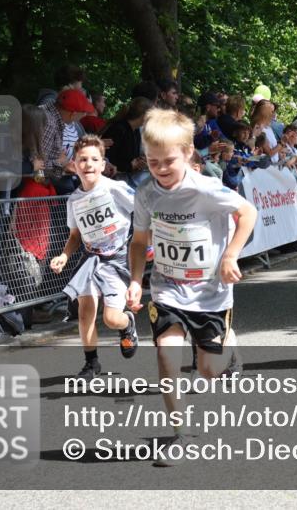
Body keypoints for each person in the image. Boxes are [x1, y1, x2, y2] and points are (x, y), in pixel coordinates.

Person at [126, 109, 257, 465]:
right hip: (168, 288)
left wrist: (231, 255)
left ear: (187, 153)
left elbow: (248, 213)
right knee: (167, 355)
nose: (160, 169)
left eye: (168, 161)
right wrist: (136, 281)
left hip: (210, 293)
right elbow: (139, 241)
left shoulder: (206, 189)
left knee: (208, 371)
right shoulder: (146, 192)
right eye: (153, 162)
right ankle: (180, 435)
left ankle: (229, 349)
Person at [49, 135, 140, 379]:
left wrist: (146, 239)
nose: (88, 164)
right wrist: (64, 256)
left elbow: (142, 210)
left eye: (94, 159)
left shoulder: (115, 188)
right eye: (82, 159)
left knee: (111, 319)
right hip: (90, 259)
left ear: (102, 164)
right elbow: (75, 236)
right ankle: (91, 364)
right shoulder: (74, 200)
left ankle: (127, 324)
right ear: (74, 165)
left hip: (116, 260)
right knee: (85, 311)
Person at [103, 97, 153, 187]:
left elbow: (131, 157)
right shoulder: (119, 129)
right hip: (113, 180)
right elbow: (108, 157)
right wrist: (130, 166)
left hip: (126, 178)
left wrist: (140, 161)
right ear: (144, 115)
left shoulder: (136, 130)